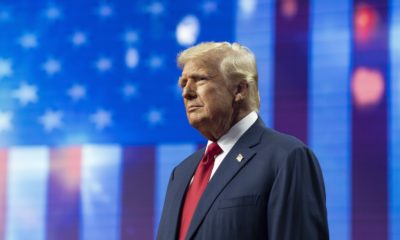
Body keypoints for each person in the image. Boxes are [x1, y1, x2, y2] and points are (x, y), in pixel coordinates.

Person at [157, 42, 329, 240]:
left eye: (200, 79)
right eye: (183, 83)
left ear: (239, 89)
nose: (186, 93)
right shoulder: (181, 174)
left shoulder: (286, 158)